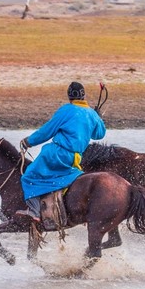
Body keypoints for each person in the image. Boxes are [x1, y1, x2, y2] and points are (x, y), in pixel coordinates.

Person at [16, 81, 106, 229]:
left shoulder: (66, 110)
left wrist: (28, 142)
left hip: (57, 154)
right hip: (75, 158)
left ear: (69, 96)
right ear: (84, 96)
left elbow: (47, 131)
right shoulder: (91, 114)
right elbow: (100, 134)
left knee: (28, 176)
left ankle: (34, 212)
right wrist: (98, 117)